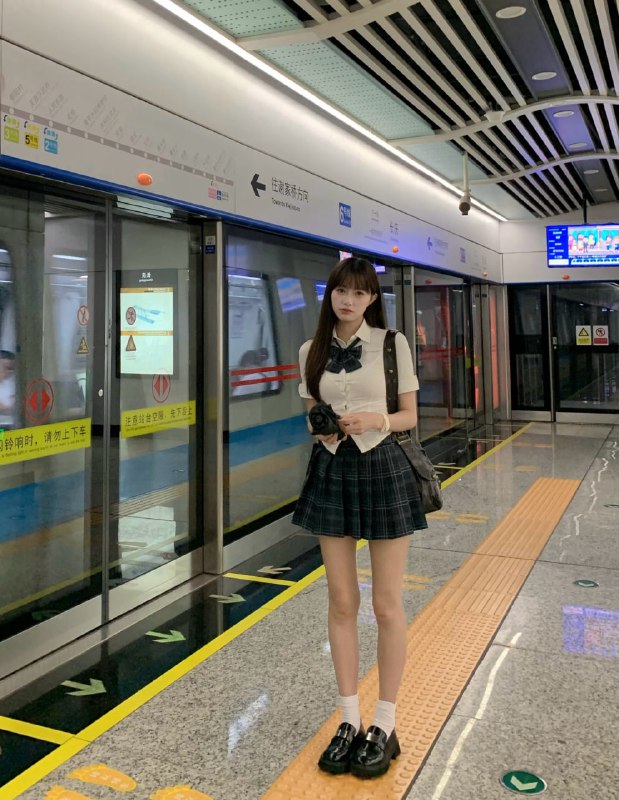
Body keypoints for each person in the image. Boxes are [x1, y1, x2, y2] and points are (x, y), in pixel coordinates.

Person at [292, 257, 427, 779]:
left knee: (386, 604)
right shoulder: (311, 350)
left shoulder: (392, 344)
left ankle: (385, 724)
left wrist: (378, 419)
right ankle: (349, 718)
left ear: (372, 299)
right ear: (329, 295)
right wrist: (322, 427)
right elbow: (311, 415)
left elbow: (410, 415)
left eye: (359, 293)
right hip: (332, 470)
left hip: (384, 466)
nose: (348, 301)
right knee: (342, 600)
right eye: (340, 291)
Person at [0, 349, 16, 429]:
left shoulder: (13, 383)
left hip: (10, 426)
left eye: (11, 368)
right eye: (6, 367)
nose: (9, 371)